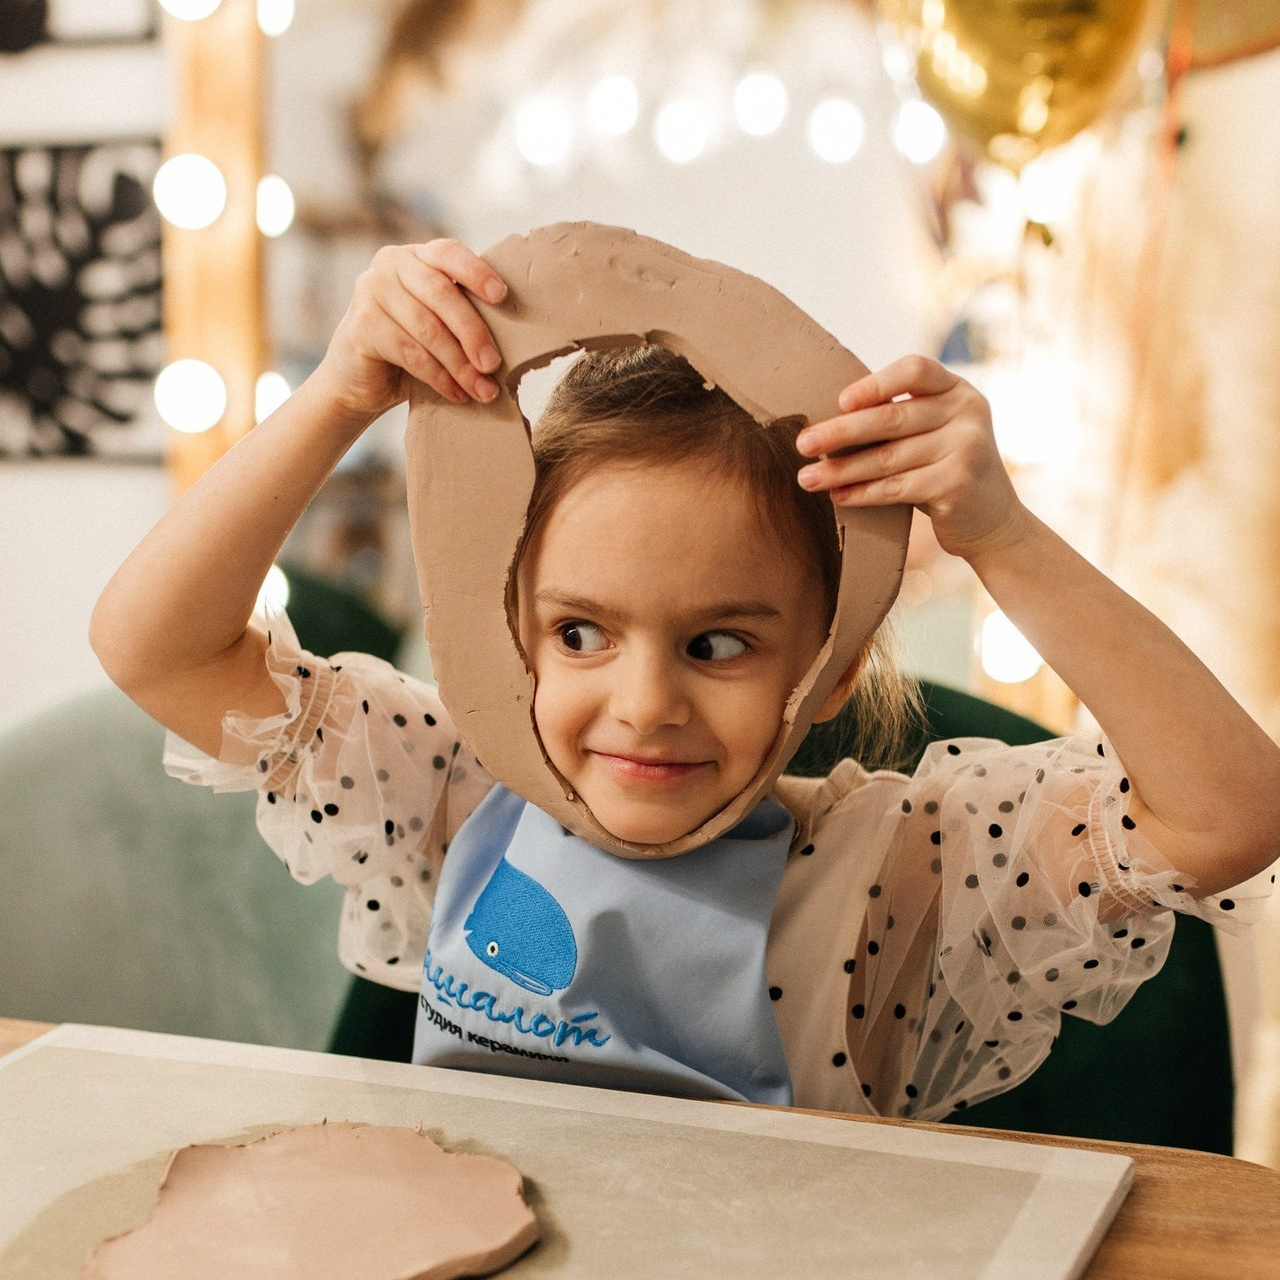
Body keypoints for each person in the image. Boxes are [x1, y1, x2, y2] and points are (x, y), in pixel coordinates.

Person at [91, 238, 1280, 1120]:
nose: (644, 702)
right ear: (511, 636)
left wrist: (1000, 536)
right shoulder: (443, 791)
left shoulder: (909, 879)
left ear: (825, 668)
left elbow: (1226, 811)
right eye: (579, 633)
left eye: (716, 644)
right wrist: (339, 393)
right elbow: (155, 646)